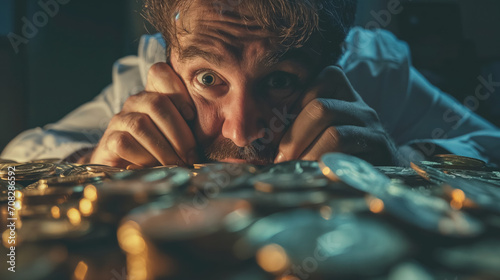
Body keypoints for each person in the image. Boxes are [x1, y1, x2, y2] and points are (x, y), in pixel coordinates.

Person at [2, 0, 499, 168]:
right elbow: (12, 161)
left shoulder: (371, 70)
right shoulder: (149, 84)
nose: (241, 133)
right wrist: (90, 163)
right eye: (209, 78)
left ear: (333, 64)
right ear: (170, 59)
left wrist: (405, 163)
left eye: (279, 80)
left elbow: (492, 145)